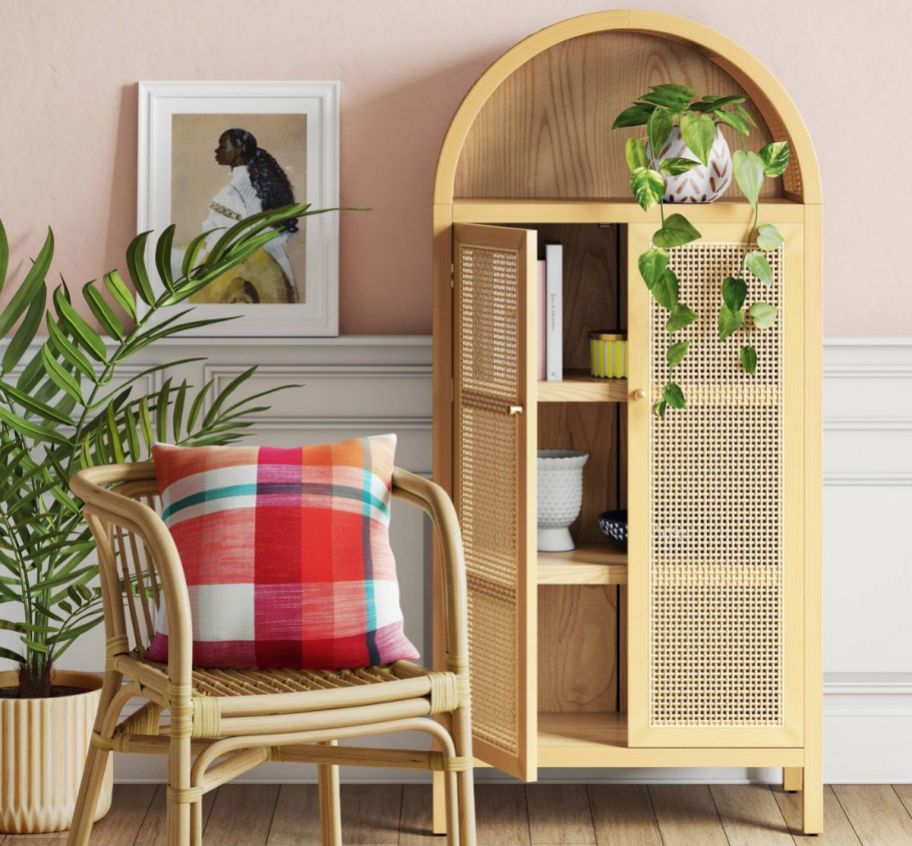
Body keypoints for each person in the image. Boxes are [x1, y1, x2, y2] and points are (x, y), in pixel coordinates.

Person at [192, 128, 300, 304]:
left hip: (241, 278)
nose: (217, 151)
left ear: (238, 150)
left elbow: (218, 238)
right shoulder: (267, 187)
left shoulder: (230, 194)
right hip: (278, 274)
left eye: (222, 146)